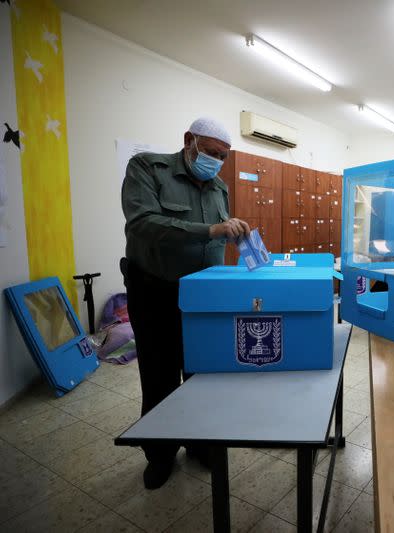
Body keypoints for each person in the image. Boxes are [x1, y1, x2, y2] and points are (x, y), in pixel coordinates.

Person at [121, 117, 250, 489]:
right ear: (189, 141)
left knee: (203, 374)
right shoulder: (148, 168)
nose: (216, 161)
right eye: (211, 152)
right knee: (160, 377)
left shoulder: (219, 188)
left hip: (205, 296)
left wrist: (236, 240)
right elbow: (143, 223)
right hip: (156, 291)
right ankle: (160, 454)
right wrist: (210, 230)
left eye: (223, 156)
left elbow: (219, 237)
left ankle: (200, 444)